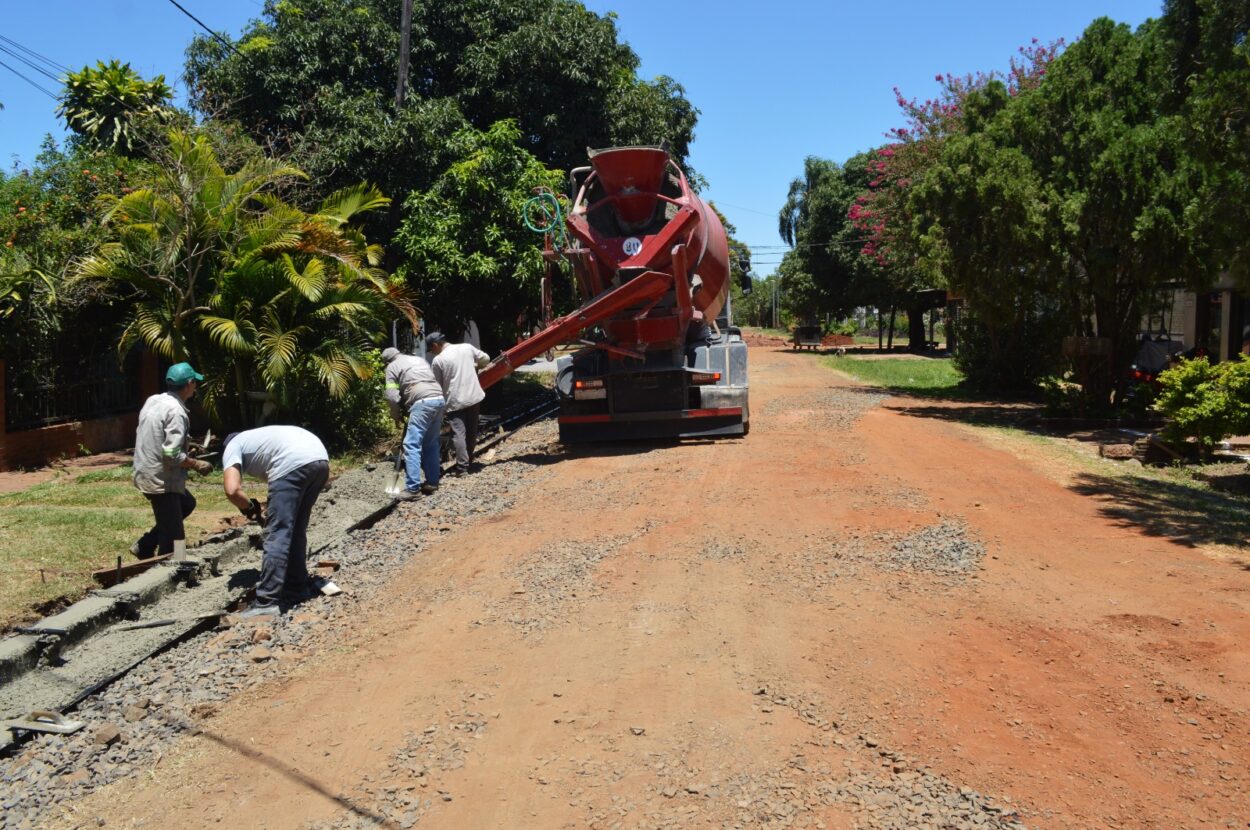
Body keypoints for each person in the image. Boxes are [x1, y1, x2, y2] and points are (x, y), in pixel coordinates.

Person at [221, 426, 330, 618]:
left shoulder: (232, 446)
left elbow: (232, 490)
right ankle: (297, 587)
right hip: (320, 460)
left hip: (293, 462)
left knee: (277, 533)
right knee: (295, 529)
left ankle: (266, 601)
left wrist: (248, 507)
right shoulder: (257, 439)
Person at [131, 362, 213, 559]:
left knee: (187, 504)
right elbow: (171, 454)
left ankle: (145, 545)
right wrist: (196, 464)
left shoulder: (154, 400)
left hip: (145, 471)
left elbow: (159, 436)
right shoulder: (176, 412)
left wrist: (188, 445)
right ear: (190, 383)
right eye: (195, 383)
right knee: (176, 539)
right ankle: (174, 568)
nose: (195, 387)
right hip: (161, 480)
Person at [381, 347, 446, 496]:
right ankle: (432, 482)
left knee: (411, 444)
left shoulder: (392, 366)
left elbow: (391, 396)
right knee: (431, 444)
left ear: (387, 361)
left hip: (422, 402)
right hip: (438, 399)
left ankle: (413, 488)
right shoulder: (418, 359)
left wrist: (396, 415)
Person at [427, 332, 490, 475]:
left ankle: (462, 467)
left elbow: (436, 386)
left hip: (455, 401)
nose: (431, 353)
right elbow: (485, 358)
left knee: (459, 434)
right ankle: (469, 460)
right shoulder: (466, 347)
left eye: (431, 349)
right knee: (472, 430)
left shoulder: (439, 360)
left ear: (436, 345)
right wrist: (476, 365)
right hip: (473, 397)